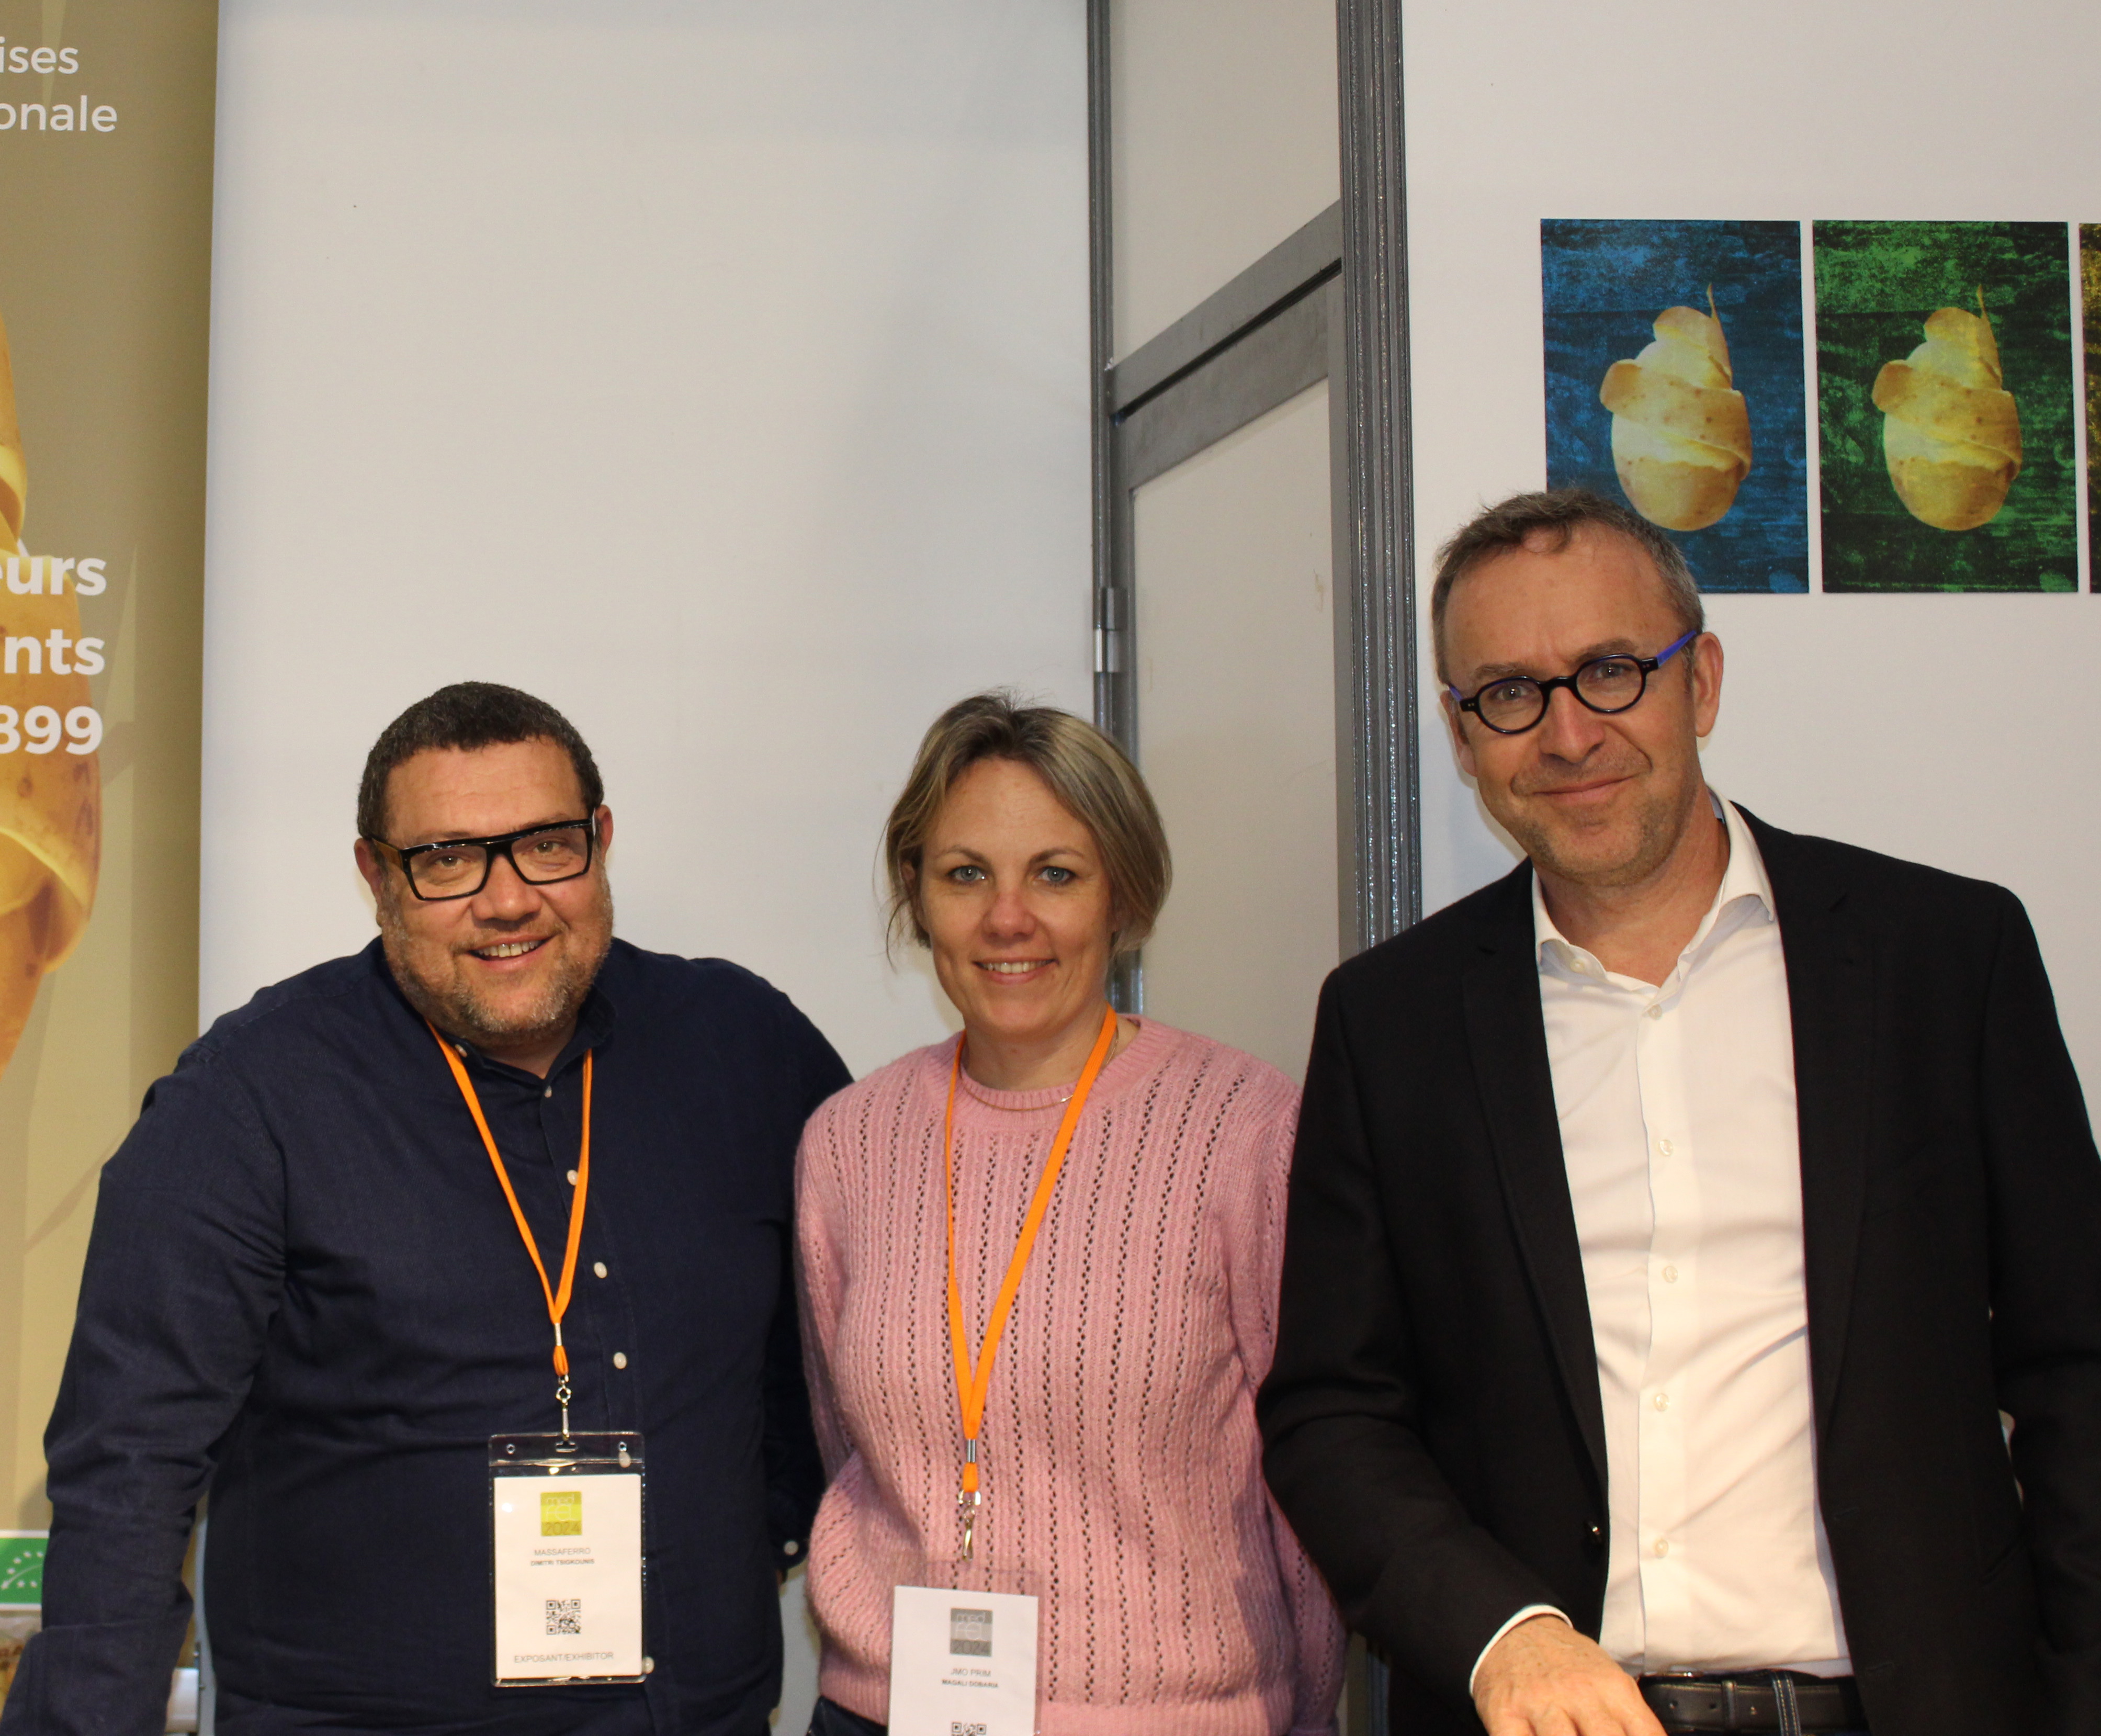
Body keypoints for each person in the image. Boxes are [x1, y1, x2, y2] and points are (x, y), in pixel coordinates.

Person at [1260, 487, 2101, 1736]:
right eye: (1510, 692)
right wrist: (1501, 1632)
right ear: (1462, 733)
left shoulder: (1942, 959)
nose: (1568, 732)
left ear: (1699, 680)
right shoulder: (1392, 1023)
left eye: (1611, 669)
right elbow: (1333, 1411)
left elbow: (2076, 1363)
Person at [7, 681, 853, 1735]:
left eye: (545, 845)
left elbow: (846, 1356)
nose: (508, 900)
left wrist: (748, 1534)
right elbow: (130, 1468)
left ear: (600, 841)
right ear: (377, 877)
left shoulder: (745, 1048)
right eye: (448, 860)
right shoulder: (251, 1099)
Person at [795, 693, 1341, 1735]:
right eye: (966, 874)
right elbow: (844, 1439)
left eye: (1056, 873)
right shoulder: (849, 1142)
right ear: (917, 894)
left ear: (1122, 893)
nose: (1009, 918)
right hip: (885, 1713)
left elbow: (1309, 1474)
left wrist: (1309, 1715)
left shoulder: (1243, 1124)